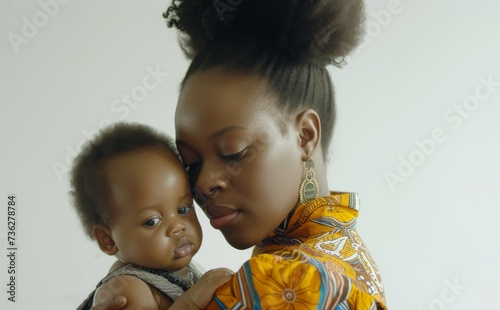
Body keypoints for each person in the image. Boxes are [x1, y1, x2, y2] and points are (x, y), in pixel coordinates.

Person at [99, 0, 388, 308]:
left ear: (305, 135)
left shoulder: (291, 281)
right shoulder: (345, 254)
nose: (203, 183)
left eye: (232, 153)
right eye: (191, 163)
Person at [70, 122, 232, 310]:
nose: (178, 226)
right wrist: (192, 303)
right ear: (108, 239)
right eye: (152, 221)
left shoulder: (181, 271)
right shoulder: (128, 291)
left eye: (184, 209)